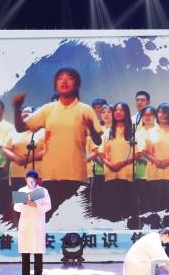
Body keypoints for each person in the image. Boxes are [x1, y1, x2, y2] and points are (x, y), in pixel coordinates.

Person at [13, 67, 103, 213]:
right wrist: (16, 108)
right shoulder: (47, 109)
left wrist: (92, 128)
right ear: (55, 85)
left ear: (77, 84)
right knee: (48, 216)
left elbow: (98, 142)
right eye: (60, 78)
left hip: (76, 176)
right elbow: (21, 128)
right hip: (50, 176)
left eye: (69, 78)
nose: (64, 81)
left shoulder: (85, 110)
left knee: (74, 218)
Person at [14, 170, 52, 275]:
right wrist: (25, 203)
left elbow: (48, 206)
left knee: (38, 249)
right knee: (25, 249)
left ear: (37, 180)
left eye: (33, 180)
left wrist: (35, 205)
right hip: (25, 223)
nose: (31, 182)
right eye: (29, 180)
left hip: (37, 224)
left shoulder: (42, 191)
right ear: (25, 179)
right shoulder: (22, 190)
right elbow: (16, 208)